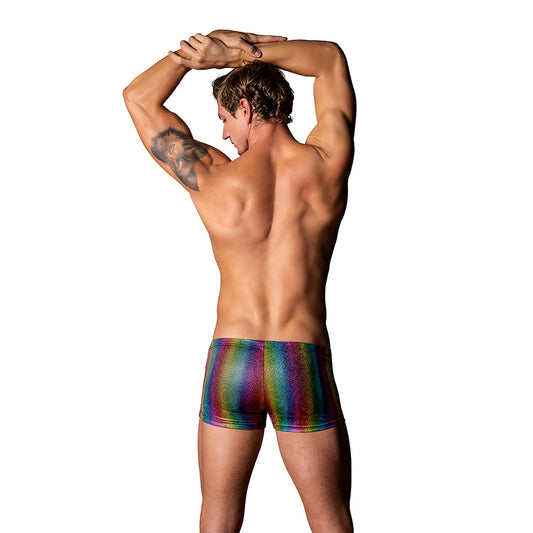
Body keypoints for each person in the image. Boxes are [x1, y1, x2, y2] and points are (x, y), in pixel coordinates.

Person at [123, 29, 356, 532]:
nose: (225, 135)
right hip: (300, 360)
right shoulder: (328, 163)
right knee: (330, 518)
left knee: (218, 516)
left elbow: (138, 98)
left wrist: (198, 56)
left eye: (225, 119)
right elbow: (330, 60)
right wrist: (239, 53)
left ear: (246, 109)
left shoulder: (214, 177)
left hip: (235, 361)